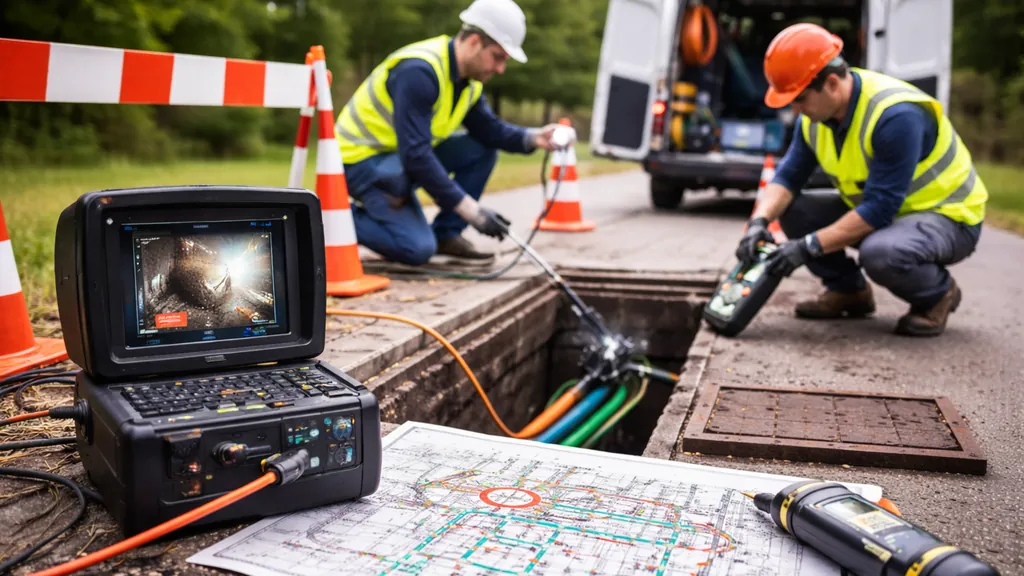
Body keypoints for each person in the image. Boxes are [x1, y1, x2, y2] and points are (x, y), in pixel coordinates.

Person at [737, 23, 988, 337]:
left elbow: (880, 209)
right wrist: (758, 222)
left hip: (949, 217)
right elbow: (787, 178)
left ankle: (937, 295)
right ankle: (849, 292)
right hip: (891, 214)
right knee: (793, 209)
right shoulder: (815, 118)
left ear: (830, 83)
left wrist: (805, 248)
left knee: (881, 253)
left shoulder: (895, 116)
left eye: (799, 98)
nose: (794, 109)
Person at [334, 0, 565, 267]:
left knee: (482, 149)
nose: (501, 69)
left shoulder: (468, 82)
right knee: (417, 249)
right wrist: (472, 212)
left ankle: (446, 235)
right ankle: (332, 218)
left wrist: (534, 137)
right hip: (360, 162)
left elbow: (489, 131)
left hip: (399, 161)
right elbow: (417, 156)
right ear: (474, 42)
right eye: (498, 56)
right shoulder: (419, 71)